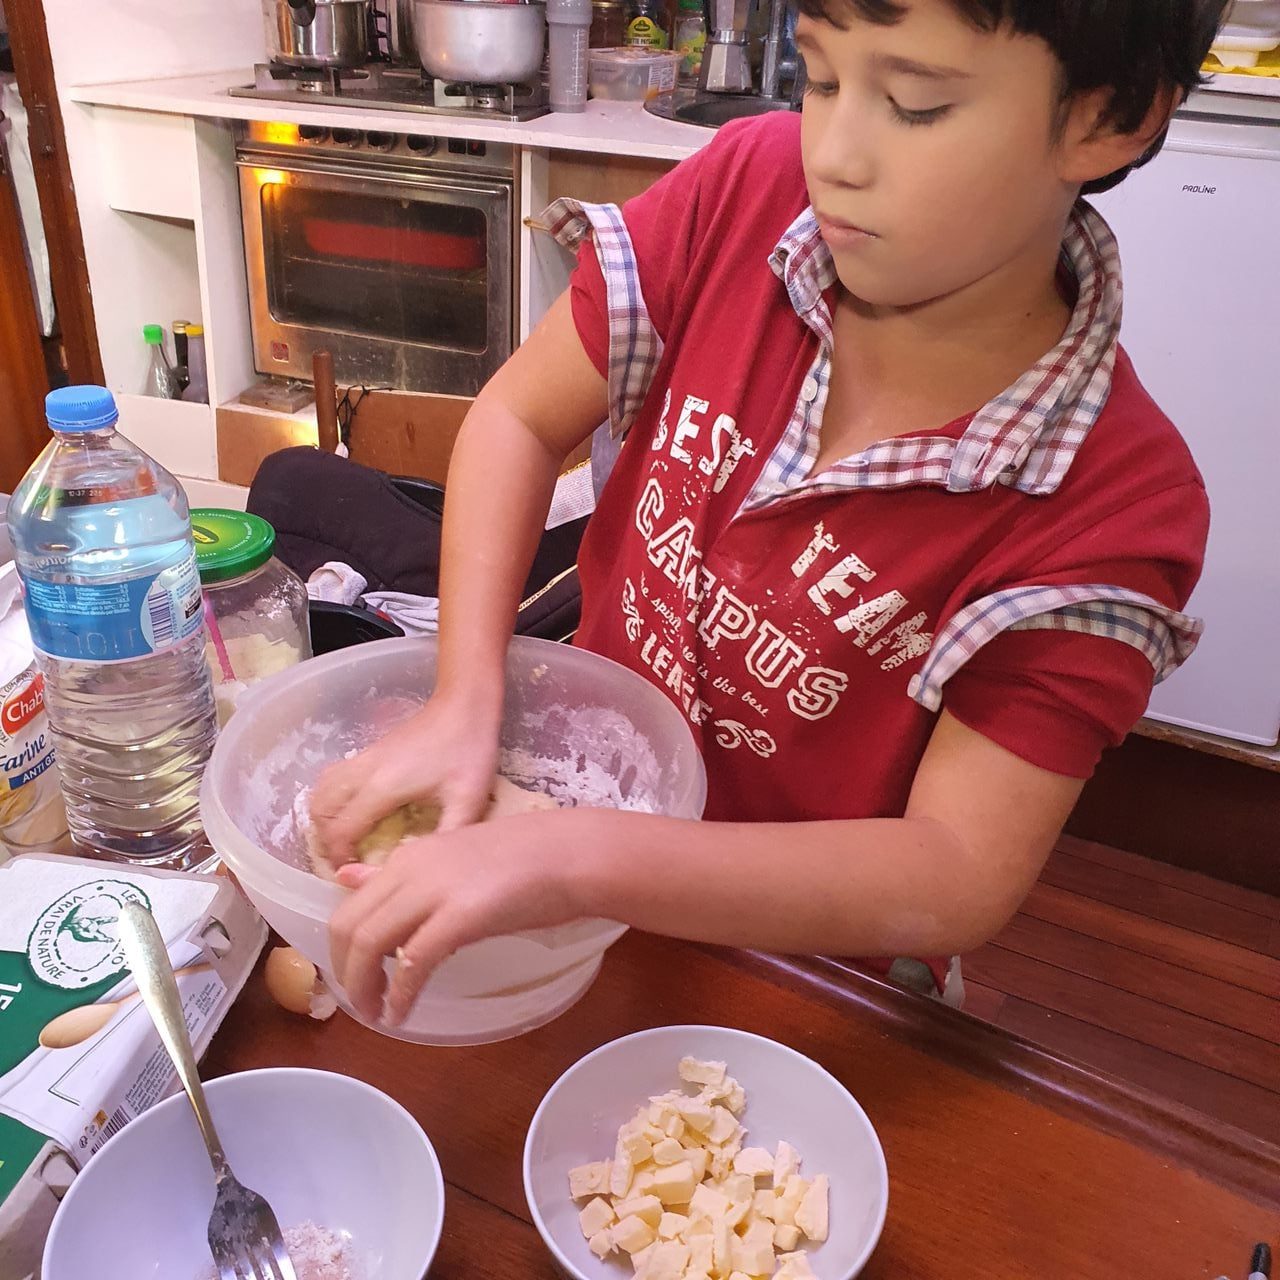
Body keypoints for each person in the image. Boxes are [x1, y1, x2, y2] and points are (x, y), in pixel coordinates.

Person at [311, 0, 1226, 1026]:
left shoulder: (1113, 504)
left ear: (1107, 118)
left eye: (913, 104)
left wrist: (576, 857)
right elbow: (519, 419)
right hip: (567, 873)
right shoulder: (747, 192)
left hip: (801, 978)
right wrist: (462, 698)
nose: (831, 155)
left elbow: (955, 871)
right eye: (820, 78)